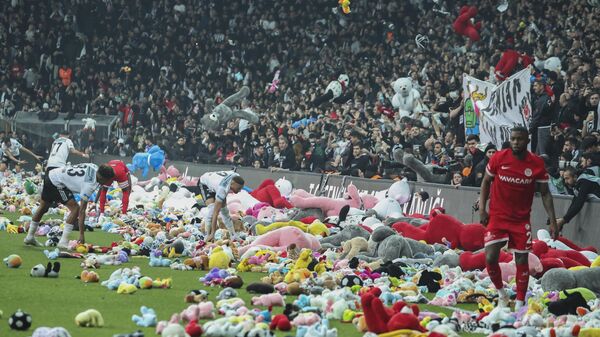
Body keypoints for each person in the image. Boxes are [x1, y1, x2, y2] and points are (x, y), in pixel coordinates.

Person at [479, 126, 558, 311]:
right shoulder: (499, 157)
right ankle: (502, 294)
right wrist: (482, 209)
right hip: (497, 217)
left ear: (527, 140)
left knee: (522, 261)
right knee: (490, 258)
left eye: (519, 139)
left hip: (520, 221)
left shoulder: (536, 164)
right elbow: (485, 181)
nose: (515, 142)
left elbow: (545, 194)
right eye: (513, 139)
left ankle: (521, 302)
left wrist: (553, 220)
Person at [24, 163, 115, 248]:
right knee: (76, 208)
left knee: (43, 207)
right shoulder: (89, 185)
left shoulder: (94, 166)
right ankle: (63, 241)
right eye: (108, 181)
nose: (109, 183)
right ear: (102, 177)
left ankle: (29, 237)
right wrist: (81, 235)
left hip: (52, 175)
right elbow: (82, 211)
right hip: (57, 183)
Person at [556, 153, 600, 231]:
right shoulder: (578, 184)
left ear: (575, 177)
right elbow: (574, 202)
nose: (565, 182)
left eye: (567, 178)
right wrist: (563, 220)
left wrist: (564, 220)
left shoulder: (584, 181)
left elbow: (579, 203)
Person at [199, 170, 245, 241]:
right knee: (212, 210)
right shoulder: (222, 190)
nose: (240, 191)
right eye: (239, 188)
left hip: (216, 183)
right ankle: (208, 235)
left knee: (225, 211)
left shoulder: (236, 176)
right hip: (204, 183)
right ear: (232, 183)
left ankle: (233, 235)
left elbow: (232, 171)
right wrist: (213, 233)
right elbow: (215, 213)